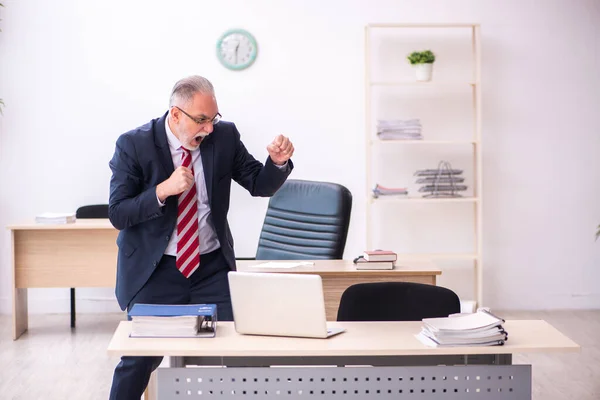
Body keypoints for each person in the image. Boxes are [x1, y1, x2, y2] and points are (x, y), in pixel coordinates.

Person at [107, 75, 294, 399]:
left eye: (213, 118)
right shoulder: (134, 144)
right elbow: (118, 213)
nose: (209, 128)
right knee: (138, 359)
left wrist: (277, 164)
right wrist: (163, 191)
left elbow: (257, 183)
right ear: (176, 115)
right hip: (157, 270)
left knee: (246, 349)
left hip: (211, 267)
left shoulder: (224, 136)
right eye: (202, 120)